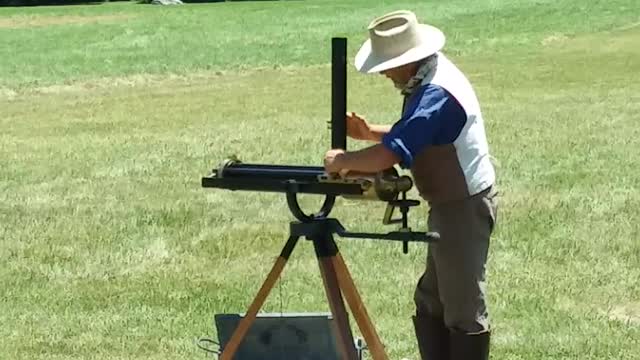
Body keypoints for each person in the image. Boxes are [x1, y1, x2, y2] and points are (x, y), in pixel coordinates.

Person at [323, 10, 498, 360]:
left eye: (387, 65)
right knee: (431, 301)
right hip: (449, 206)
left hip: (463, 206)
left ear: (410, 59)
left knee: (462, 308)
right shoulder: (427, 79)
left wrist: (344, 162)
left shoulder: (436, 93)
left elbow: (392, 153)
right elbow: (415, 135)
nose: (385, 73)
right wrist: (369, 132)